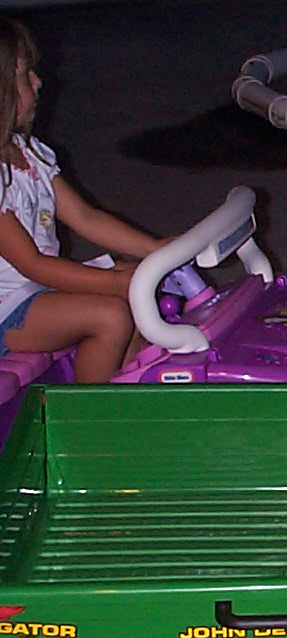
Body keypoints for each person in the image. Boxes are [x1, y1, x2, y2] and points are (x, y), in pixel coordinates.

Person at [0, 18, 162, 383]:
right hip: (7, 309)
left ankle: (125, 385)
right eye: (25, 75)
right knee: (111, 316)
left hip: (34, 292)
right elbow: (32, 264)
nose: (38, 81)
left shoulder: (31, 154)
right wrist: (112, 284)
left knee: (138, 278)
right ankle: (92, 411)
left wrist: (154, 248)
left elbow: (86, 217)